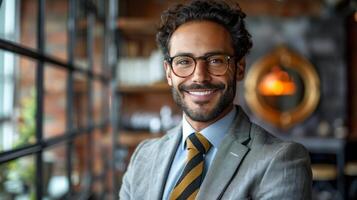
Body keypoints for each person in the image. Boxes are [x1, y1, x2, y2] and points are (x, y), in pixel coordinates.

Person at [119, 0, 312, 199]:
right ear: (168, 73)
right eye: (184, 61)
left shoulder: (281, 161)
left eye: (215, 61)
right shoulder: (143, 156)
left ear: (239, 68)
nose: (199, 76)